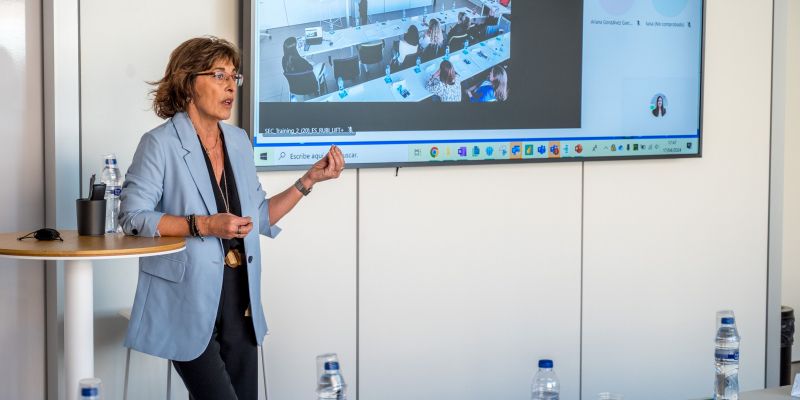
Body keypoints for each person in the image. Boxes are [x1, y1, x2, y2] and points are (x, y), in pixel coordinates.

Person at [120, 36, 345, 400]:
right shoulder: (159, 143)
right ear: (188, 82)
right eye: (219, 75)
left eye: (234, 77)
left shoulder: (239, 140)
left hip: (240, 298)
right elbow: (132, 217)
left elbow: (257, 217)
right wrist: (204, 225)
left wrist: (308, 181)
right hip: (186, 301)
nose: (230, 86)